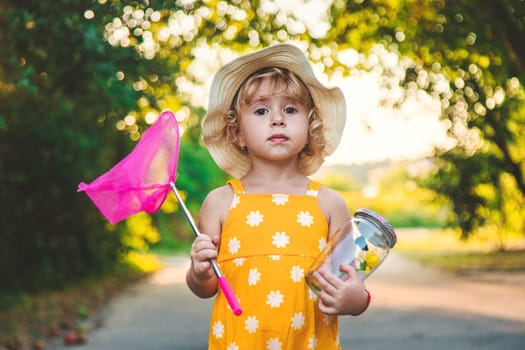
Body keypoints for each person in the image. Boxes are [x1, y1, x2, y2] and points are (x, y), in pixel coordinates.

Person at [186, 43, 370, 349]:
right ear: (237, 134)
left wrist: (356, 300)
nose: (277, 119)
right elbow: (205, 288)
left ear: (311, 127)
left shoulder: (330, 205)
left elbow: (352, 282)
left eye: (290, 109)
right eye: (261, 110)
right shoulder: (220, 203)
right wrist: (198, 271)